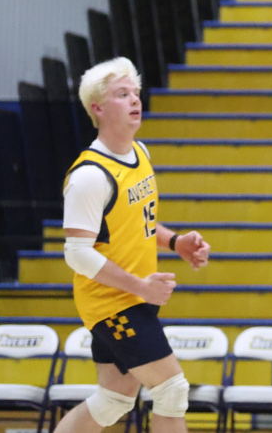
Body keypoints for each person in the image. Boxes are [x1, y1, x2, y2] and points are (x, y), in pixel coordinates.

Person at [52, 58, 211, 433]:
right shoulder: (90, 176)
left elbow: (135, 221)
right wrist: (140, 286)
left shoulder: (141, 153)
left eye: (136, 93)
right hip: (111, 302)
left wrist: (175, 242)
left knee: (113, 401)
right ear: (98, 108)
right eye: (122, 95)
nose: (134, 101)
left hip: (133, 297)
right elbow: (76, 253)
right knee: (172, 389)